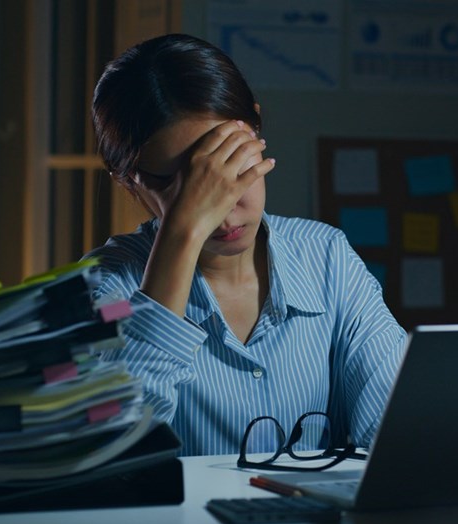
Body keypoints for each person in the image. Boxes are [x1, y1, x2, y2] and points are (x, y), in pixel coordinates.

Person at [84, 33, 406, 457]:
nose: (222, 209)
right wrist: (182, 232)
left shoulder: (327, 257)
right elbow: (114, 449)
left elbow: (397, 432)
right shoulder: (106, 285)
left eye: (230, 163)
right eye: (174, 184)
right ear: (130, 181)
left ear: (255, 130)